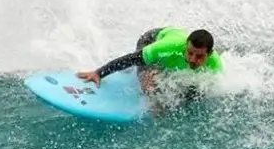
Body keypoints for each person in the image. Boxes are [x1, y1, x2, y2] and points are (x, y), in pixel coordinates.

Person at [76, 26, 222, 101]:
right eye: (190, 53)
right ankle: (135, 72)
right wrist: (99, 73)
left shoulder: (215, 64)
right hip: (151, 39)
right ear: (185, 47)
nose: (192, 59)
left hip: (170, 43)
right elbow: (131, 59)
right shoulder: (167, 48)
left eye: (199, 56)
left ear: (208, 54)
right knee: (150, 87)